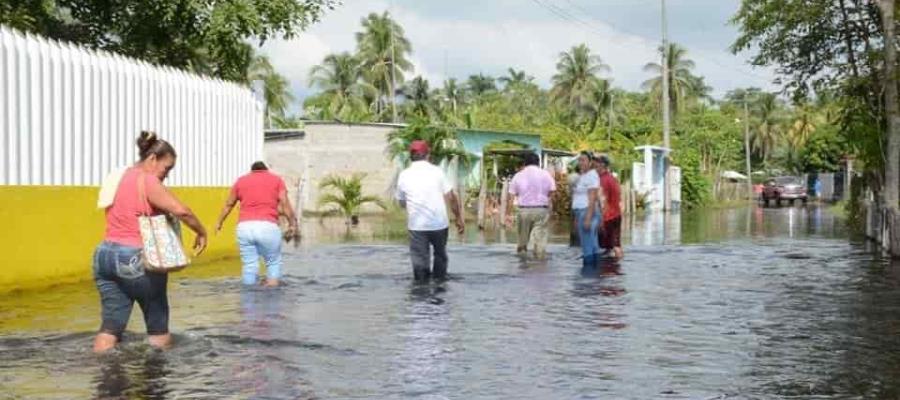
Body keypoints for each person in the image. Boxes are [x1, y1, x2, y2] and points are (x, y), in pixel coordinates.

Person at [93, 131, 208, 353]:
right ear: (153, 159)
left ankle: (99, 368)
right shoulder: (147, 180)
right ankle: (157, 373)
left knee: (110, 328)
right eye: (167, 168)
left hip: (104, 255)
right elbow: (181, 211)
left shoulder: (117, 177)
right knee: (158, 327)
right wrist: (201, 232)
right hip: (135, 257)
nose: (166, 175)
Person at [215, 161, 298, 287]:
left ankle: (249, 296)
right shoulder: (276, 180)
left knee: (249, 265)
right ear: (266, 169)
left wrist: (219, 222)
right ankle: (273, 294)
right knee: (272, 262)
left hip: (245, 228)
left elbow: (229, 204)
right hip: (268, 226)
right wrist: (292, 223)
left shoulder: (241, 181)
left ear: (252, 170)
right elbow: (284, 202)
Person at [396, 140, 465, 281]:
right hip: (439, 225)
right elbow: (451, 197)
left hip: (417, 227)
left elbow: (401, 202)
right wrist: (458, 218)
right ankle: (440, 286)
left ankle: (421, 288)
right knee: (440, 256)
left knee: (420, 264)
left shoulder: (404, 175)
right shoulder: (437, 171)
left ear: (410, 156)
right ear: (427, 155)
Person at [507, 152, 556, 259]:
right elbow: (552, 191)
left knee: (522, 242)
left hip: (523, 211)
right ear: (538, 163)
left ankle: (521, 263)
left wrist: (508, 214)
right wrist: (547, 201)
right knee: (540, 242)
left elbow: (511, 197)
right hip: (541, 210)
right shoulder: (546, 174)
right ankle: (539, 262)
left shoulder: (518, 175)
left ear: (525, 163)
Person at [571, 152, 602, 264]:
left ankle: (588, 270)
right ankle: (595, 269)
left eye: (583, 160)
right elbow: (577, 197)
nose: (580, 163)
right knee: (592, 243)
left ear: (590, 162)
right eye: (579, 160)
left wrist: (588, 218)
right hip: (581, 212)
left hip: (587, 211)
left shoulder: (591, 176)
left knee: (587, 245)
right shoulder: (582, 176)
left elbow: (593, 197)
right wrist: (576, 218)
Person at [596, 154, 624, 259]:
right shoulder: (612, 178)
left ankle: (610, 265)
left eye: (596, 164)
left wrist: (601, 219)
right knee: (615, 245)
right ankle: (618, 264)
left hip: (607, 217)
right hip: (616, 215)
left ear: (602, 165)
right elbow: (620, 199)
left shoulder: (602, 180)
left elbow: (602, 200)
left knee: (610, 246)